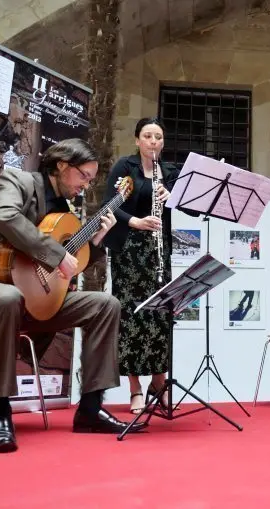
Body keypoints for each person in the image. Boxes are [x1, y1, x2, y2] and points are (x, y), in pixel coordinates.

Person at [0, 138, 144, 453]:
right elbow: (3, 216)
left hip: (36, 301)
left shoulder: (66, 210)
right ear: (63, 165)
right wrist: (54, 253)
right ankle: (0, 412)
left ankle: (91, 409)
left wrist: (97, 242)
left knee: (105, 304)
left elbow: (69, 265)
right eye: (84, 176)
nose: (86, 186)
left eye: (91, 180)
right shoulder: (19, 181)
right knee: (7, 296)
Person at [104, 117, 178, 414]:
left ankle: (159, 384)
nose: (153, 142)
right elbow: (109, 204)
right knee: (132, 316)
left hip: (160, 252)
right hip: (130, 250)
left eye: (158, 137)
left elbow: (189, 205)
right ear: (137, 140)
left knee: (160, 316)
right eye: (147, 136)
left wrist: (172, 196)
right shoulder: (126, 167)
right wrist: (135, 221)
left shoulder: (169, 172)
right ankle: (134, 388)